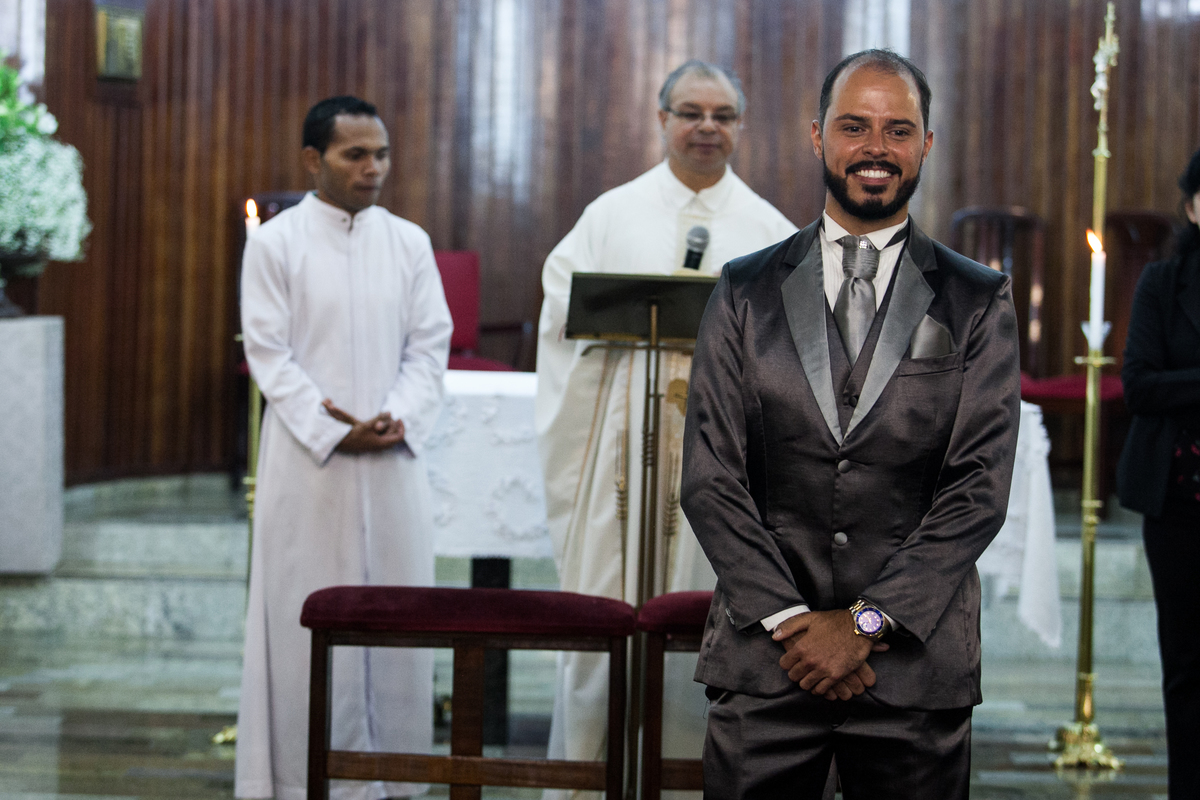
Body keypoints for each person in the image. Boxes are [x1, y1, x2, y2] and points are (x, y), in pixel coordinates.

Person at [680, 50, 1021, 799]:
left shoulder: (977, 298)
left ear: (927, 143)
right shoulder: (745, 287)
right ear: (816, 136)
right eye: (854, 126)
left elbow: (978, 488)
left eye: (898, 130)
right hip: (768, 662)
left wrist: (864, 626)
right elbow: (711, 477)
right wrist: (796, 623)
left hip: (914, 672)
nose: (876, 147)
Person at [534, 60, 797, 796]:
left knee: (705, 624)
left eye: (722, 114)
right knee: (605, 615)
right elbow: (564, 312)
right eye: (690, 112)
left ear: (740, 126)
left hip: (727, 464)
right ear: (661, 120)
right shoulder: (611, 215)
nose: (706, 127)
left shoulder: (771, 232)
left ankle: (688, 783)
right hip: (622, 458)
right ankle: (590, 781)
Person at [235, 96, 452, 800]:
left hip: (392, 462)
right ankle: (302, 783)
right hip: (310, 467)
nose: (372, 168)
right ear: (312, 159)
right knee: (303, 623)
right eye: (354, 154)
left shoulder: (409, 242)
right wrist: (334, 429)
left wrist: (394, 417)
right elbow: (268, 354)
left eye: (380, 153)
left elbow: (429, 348)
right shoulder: (275, 243)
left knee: (398, 621)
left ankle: (397, 780)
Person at [1117, 147, 1200, 800]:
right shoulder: (1163, 283)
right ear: (1194, 205)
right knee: (1186, 666)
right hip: (1180, 499)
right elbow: (1139, 386)